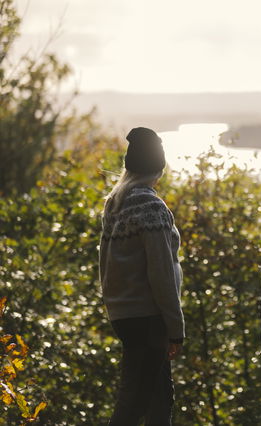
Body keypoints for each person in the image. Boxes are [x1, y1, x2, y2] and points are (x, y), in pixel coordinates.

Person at [99, 127, 185, 426]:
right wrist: (175, 328)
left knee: (159, 396)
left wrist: (114, 306)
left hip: (124, 314)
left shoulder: (116, 203)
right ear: (159, 167)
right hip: (149, 317)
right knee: (134, 401)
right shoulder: (151, 206)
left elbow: (104, 263)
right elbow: (161, 272)